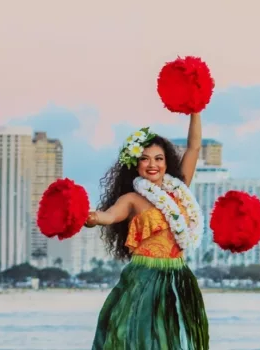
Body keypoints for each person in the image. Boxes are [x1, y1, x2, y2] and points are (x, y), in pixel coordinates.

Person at [84, 113, 208, 349]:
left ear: (167, 162)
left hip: (178, 277)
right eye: (145, 159)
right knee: (136, 336)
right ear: (135, 164)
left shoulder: (178, 190)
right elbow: (109, 215)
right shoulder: (132, 199)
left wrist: (195, 109)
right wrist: (93, 218)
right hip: (144, 277)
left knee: (172, 341)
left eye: (159, 159)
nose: (153, 165)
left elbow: (194, 147)